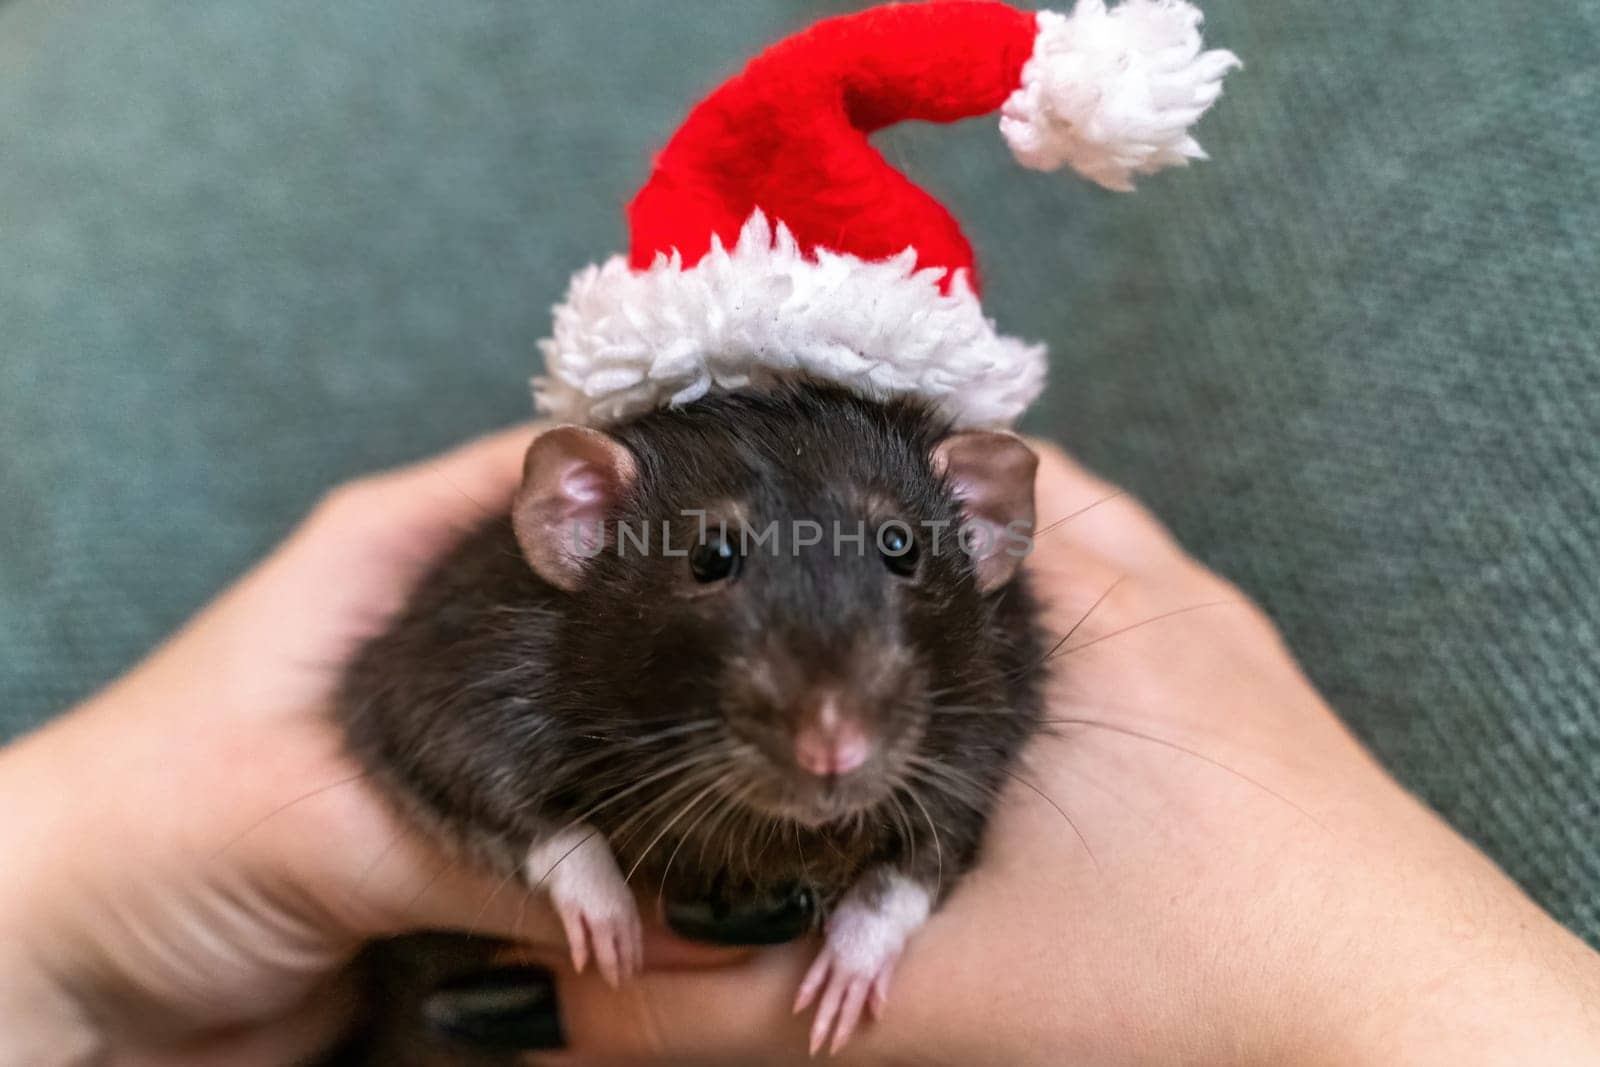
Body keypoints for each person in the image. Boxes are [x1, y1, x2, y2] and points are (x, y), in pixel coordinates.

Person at [2, 426, 1597, 1066]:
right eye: (707, 562)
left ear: (979, 526)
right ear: (579, 523)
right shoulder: (506, 635)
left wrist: (896, 900)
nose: (834, 736)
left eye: (909, 558)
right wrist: (551, 847)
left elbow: (953, 779)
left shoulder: (989, 687)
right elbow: (402, 714)